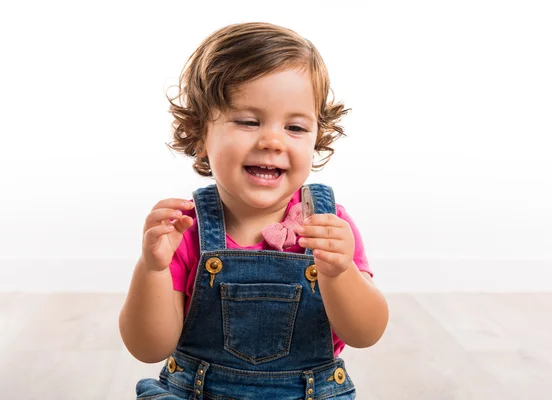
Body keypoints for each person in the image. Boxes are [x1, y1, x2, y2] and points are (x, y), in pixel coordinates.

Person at [119, 21, 389, 399]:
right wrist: (152, 269)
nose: (272, 141)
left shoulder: (328, 225)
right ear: (199, 135)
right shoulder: (186, 228)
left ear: (317, 137)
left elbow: (366, 333)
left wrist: (339, 272)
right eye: (248, 121)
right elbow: (149, 348)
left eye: (295, 128)